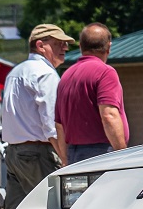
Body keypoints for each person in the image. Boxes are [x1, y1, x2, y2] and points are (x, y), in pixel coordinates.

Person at [0, 22, 72, 209]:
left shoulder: (15, 72)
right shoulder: (45, 74)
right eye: (58, 42)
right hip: (37, 151)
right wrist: (65, 158)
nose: (65, 46)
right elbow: (51, 124)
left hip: (13, 150)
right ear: (40, 45)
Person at [55, 23, 129, 163]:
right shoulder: (105, 72)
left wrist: (65, 160)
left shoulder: (66, 76)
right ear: (109, 47)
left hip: (73, 153)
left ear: (81, 47)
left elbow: (59, 125)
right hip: (101, 153)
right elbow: (109, 116)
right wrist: (122, 154)